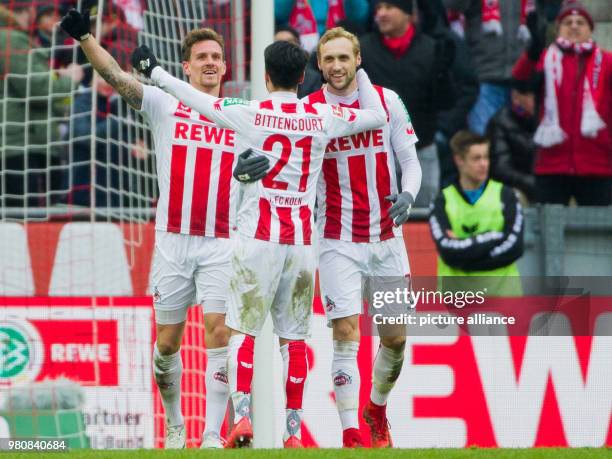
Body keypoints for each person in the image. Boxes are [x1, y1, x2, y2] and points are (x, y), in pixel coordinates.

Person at [131, 39, 387, 448]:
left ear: (265, 77)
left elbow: (198, 102)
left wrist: (156, 74)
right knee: (295, 340)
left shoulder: (250, 112)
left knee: (242, 335)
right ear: (304, 77)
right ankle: (292, 433)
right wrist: (361, 68)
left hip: (258, 241)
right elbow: (374, 115)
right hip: (302, 244)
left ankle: (243, 420)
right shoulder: (322, 115)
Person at [60, 10, 236, 449]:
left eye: (217, 56)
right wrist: (84, 36)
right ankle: (176, 424)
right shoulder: (165, 104)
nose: (211, 62)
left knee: (218, 331)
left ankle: (212, 434)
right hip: (173, 242)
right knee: (167, 346)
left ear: (225, 66)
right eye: (202, 57)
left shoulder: (241, 114)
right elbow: (114, 74)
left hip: (222, 241)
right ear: (186, 67)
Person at [305, 27, 421, 448]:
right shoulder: (309, 111)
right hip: (337, 241)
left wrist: (409, 194)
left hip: (388, 241)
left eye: (343, 58)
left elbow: (410, 161)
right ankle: (352, 432)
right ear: (319, 64)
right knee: (346, 333)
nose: (336, 66)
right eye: (328, 59)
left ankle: (377, 408)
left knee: (395, 340)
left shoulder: (387, 102)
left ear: (357, 60)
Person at [513, 0, 612, 205]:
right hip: (552, 163)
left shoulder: (607, 62)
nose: (574, 26)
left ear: (590, 29)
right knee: (549, 230)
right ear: (558, 29)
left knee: (595, 233)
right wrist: (532, 53)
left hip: (597, 163)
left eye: (580, 22)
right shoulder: (545, 58)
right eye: (568, 22)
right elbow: (520, 82)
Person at [360, 0, 456, 208]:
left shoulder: (431, 49)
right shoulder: (363, 49)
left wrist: (442, 75)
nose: (381, 14)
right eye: (378, 9)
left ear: (408, 14)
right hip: (376, 151)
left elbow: (446, 102)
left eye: (388, 7)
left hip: (421, 149)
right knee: (378, 216)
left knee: (423, 221)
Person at [0, 1, 83, 208]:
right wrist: (70, 80)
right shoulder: (9, 38)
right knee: (24, 221)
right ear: (28, 11)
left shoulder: (13, 37)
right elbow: (33, 88)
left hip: (28, 141)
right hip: (22, 145)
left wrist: (55, 77)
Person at [429, 131, 524, 296]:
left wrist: (464, 256)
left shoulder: (507, 196)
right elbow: (448, 252)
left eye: (486, 157)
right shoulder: (441, 201)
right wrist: (493, 237)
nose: (484, 164)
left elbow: (514, 248)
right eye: (476, 158)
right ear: (459, 160)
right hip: (457, 303)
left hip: (504, 301)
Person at [443, 0, 532, 135]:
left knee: (520, 147)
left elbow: (552, 12)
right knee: (482, 144)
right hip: (484, 79)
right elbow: (451, 6)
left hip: (521, 84)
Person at [487, 78, 539, 202]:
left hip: (544, 183)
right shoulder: (500, 122)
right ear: (516, 97)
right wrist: (533, 183)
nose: (537, 101)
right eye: (531, 96)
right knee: (516, 198)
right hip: (516, 186)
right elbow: (500, 169)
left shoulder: (549, 123)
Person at [274, 25, 322, 98]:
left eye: (288, 42)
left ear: (298, 44)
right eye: (279, 43)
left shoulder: (314, 78)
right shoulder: (268, 73)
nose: (284, 48)